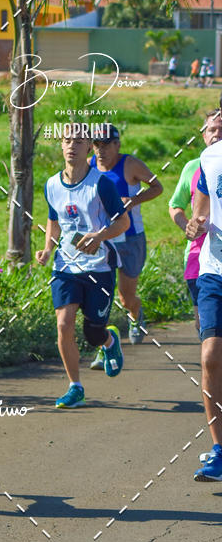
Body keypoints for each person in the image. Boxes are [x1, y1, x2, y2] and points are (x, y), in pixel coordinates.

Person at [36, 129, 129, 408]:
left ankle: (108, 341)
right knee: (63, 324)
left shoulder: (101, 184)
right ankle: (75, 387)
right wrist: (48, 249)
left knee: (93, 334)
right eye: (67, 141)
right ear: (61, 146)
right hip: (65, 265)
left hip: (99, 267)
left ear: (89, 146)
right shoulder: (52, 184)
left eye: (78, 141)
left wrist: (99, 236)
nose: (71, 146)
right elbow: (54, 221)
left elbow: (123, 222)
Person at [89, 124, 163, 365]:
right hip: (103, 238)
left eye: (106, 145)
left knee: (126, 297)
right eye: (96, 145)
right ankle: (104, 345)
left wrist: (133, 200)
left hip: (130, 237)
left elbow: (157, 187)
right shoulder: (89, 166)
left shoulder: (130, 164)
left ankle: (135, 313)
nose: (101, 151)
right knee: (102, 295)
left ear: (117, 145)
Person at [186, 97, 222, 481]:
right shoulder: (209, 159)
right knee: (210, 357)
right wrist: (194, 225)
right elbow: (200, 214)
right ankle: (219, 450)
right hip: (214, 270)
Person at [168, 110, 222, 332]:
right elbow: (175, 205)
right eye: (212, 130)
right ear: (203, 135)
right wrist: (188, 226)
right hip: (198, 257)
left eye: (221, 130)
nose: (216, 134)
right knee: (205, 326)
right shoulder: (193, 167)